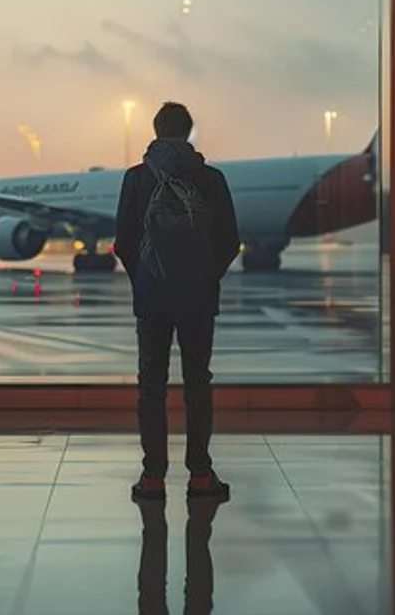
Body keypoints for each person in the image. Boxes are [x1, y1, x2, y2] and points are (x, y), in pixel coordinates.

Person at [114, 102, 241, 502]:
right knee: (197, 383)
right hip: (199, 298)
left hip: (152, 298)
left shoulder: (136, 179)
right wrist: (204, 276)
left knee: (151, 385)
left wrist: (146, 280)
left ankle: (152, 478)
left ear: (154, 130)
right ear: (189, 133)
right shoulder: (211, 179)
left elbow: (123, 241)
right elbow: (230, 241)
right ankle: (200, 475)